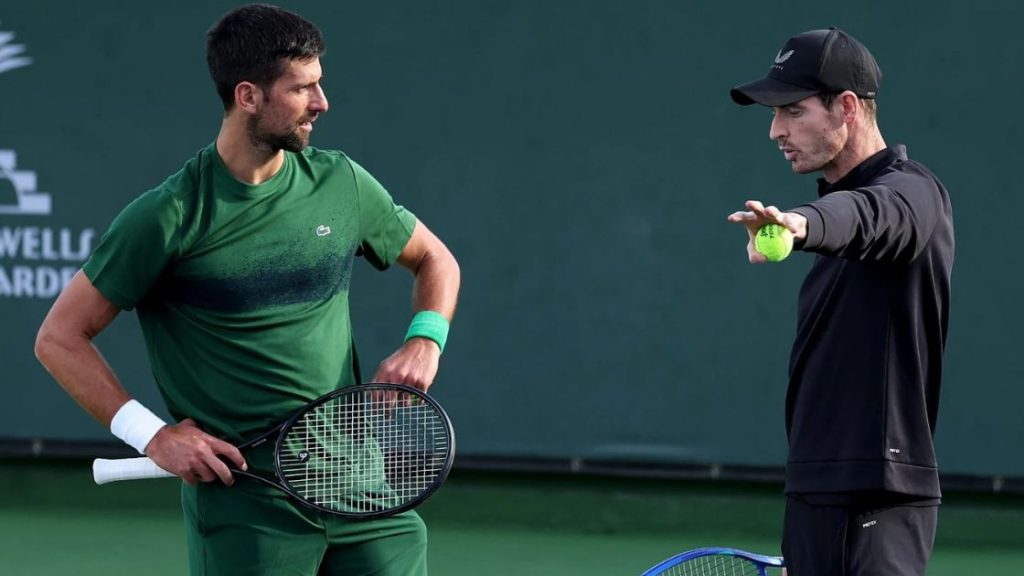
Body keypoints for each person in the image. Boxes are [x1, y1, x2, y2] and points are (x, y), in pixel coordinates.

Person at [34, 4, 460, 575]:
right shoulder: (169, 216)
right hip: (247, 506)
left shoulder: (342, 182)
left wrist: (425, 340)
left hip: (365, 491)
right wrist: (152, 435)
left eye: (319, 84)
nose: (321, 103)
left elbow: (434, 258)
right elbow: (59, 338)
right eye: (302, 88)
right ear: (248, 96)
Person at [726, 27, 953, 575]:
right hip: (816, 488)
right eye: (774, 114)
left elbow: (869, 215)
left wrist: (799, 224)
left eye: (793, 111)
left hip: (877, 493)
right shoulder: (839, 220)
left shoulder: (912, 192)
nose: (776, 131)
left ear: (847, 107)